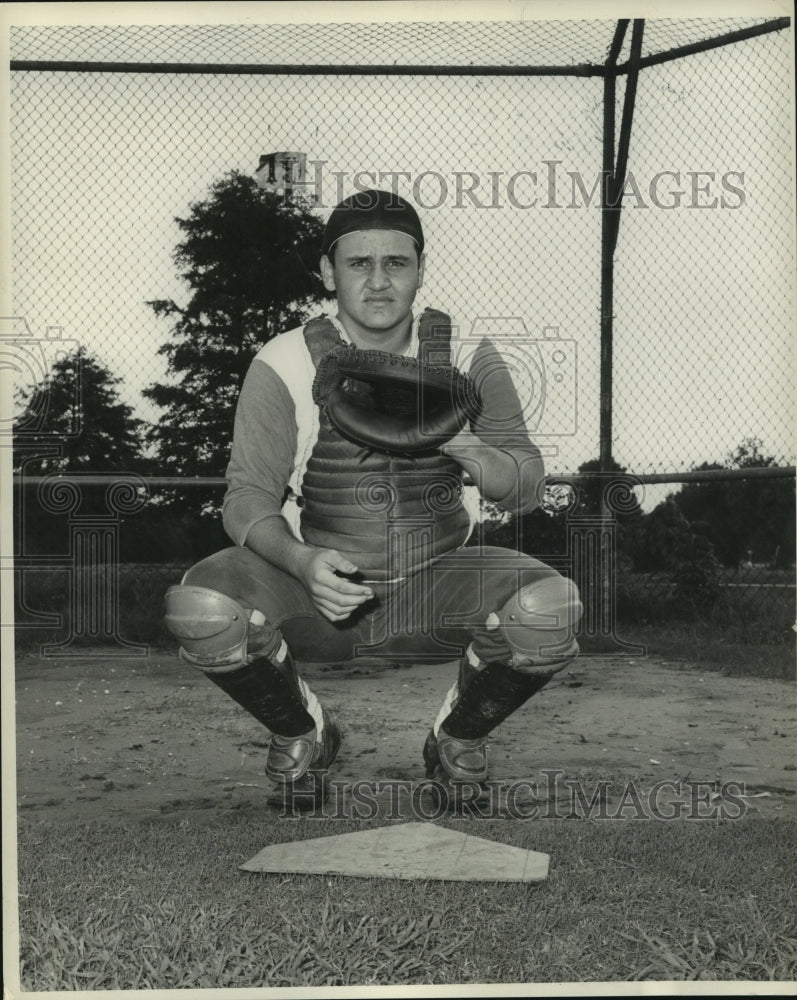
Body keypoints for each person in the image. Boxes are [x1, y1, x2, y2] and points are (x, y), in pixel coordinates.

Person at [164, 189, 582, 809]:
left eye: (397, 263)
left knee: (550, 611)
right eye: (360, 264)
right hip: (320, 588)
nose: (380, 281)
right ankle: (304, 734)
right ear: (328, 272)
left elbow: (522, 485)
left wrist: (464, 443)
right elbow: (246, 498)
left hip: (437, 580)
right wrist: (301, 560)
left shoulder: (466, 356)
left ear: (420, 268)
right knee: (201, 608)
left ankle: (456, 741)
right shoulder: (282, 362)